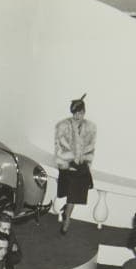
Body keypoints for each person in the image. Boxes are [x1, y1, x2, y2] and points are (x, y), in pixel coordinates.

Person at [54, 94, 97, 234]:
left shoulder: (90, 127)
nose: (78, 116)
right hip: (67, 163)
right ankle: (67, 219)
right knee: (73, 187)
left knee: (80, 185)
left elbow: (91, 147)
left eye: (80, 112)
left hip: (81, 164)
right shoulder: (64, 125)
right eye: (75, 113)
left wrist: (84, 160)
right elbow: (59, 146)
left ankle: (67, 212)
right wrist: (68, 161)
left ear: (84, 112)